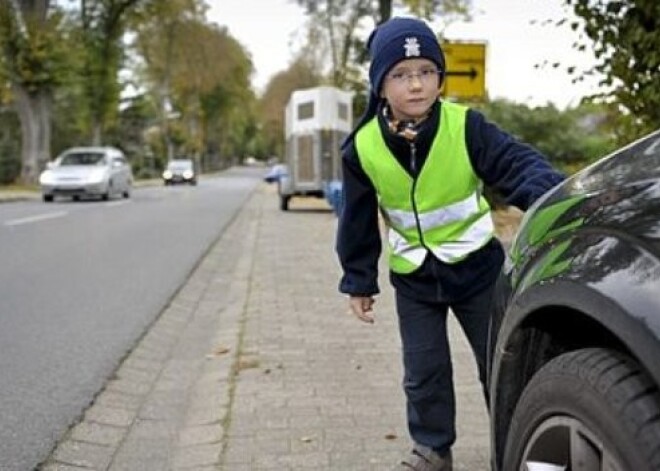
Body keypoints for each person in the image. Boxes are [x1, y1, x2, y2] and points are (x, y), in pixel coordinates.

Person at [335, 16, 565, 471]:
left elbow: (517, 165)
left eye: (425, 71)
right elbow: (357, 222)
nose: (415, 85)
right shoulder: (361, 148)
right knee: (424, 374)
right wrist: (359, 280)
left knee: (500, 366)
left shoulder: (467, 127)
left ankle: (515, 448)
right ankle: (432, 450)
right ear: (380, 87)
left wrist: (558, 196)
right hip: (415, 279)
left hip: (477, 270)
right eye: (400, 75)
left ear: (440, 78)